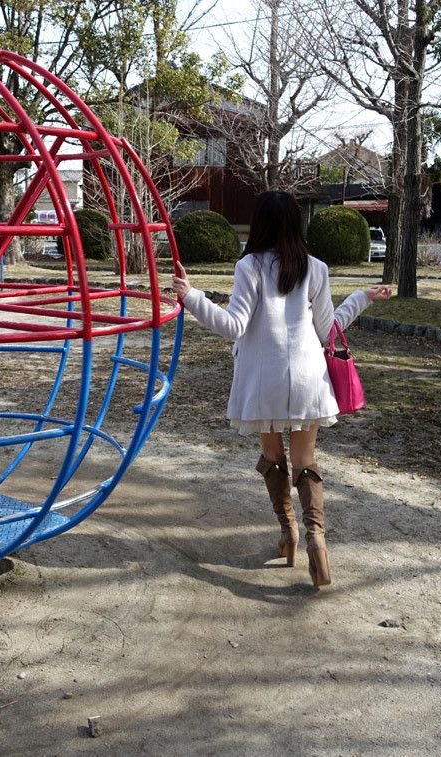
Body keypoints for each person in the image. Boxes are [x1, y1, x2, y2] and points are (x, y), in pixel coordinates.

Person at [172, 191, 391, 588]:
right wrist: (361, 298)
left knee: (273, 458)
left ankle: (288, 533)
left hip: (263, 382)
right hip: (309, 379)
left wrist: (191, 296)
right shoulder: (315, 268)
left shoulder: (249, 265)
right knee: (306, 461)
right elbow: (327, 331)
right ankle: (317, 541)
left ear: (260, 223)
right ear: (296, 222)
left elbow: (233, 326)